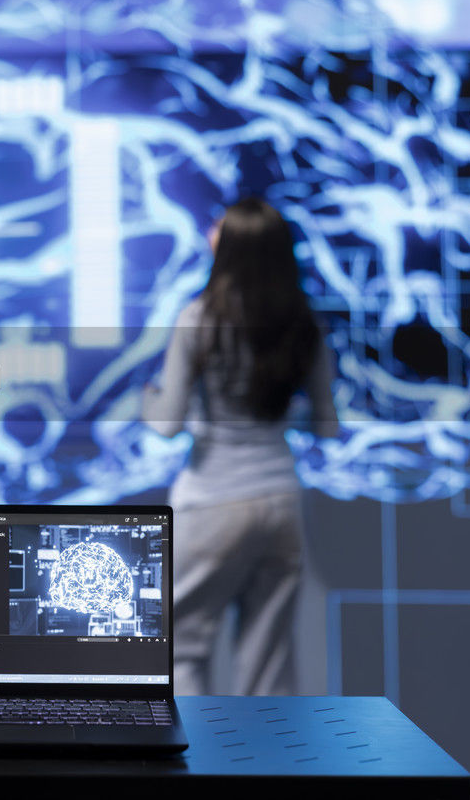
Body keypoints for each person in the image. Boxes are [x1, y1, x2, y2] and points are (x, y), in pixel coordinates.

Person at [143, 197, 336, 696]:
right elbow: (327, 424)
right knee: (268, 662)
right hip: (281, 499)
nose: (209, 233)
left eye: (218, 229)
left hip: (213, 500)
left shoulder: (199, 318)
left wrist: (149, 399)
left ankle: (193, 768)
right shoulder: (303, 323)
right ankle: (266, 772)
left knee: (181, 649)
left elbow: (167, 425)